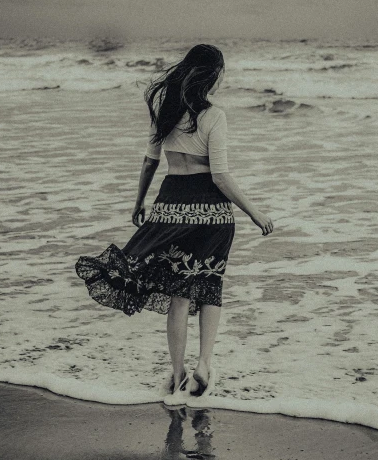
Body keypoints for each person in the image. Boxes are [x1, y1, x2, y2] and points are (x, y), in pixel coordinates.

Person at [75, 44, 273, 406]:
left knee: (178, 295)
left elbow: (150, 163)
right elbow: (221, 177)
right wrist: (254, 212)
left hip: (170, 207)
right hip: (213, 215)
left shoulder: (163, 112)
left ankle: (178, 374)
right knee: (211, 286)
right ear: (212, 74)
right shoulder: (214, 115)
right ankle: (203, 366)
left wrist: (139, 202)